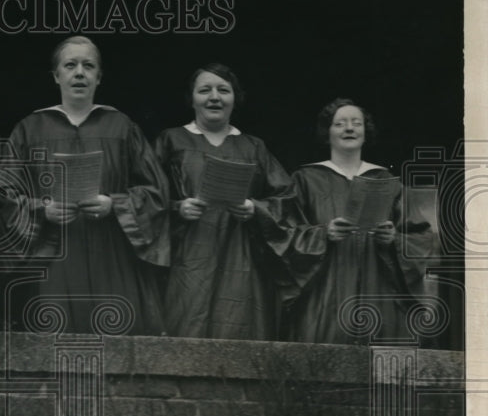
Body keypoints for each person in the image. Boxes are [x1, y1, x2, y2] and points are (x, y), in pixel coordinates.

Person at [5, 36, 171, 336]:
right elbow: (3, 196)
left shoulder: (121, 127)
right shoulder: (30, 129)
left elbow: (156, 192)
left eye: (88, 65)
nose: (79, 72)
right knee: (55, 342)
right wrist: (42, 208)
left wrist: (116, 204)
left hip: (112, 254)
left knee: (119, 340)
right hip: (53, 256)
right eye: (70, 65)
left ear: (99, 76)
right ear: (57, 76)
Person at [152, 62, 293, 341]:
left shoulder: (253, 147)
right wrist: (177, 207)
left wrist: (256, 209)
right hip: (188, 258)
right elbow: (146, 196)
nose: (214, 97)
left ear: (234, 99)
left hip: (240, 259)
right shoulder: (172, 140)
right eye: (205, 90)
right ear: (192, 98)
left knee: (240, 335)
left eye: (223, 90)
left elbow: (287, 198)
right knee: (185, 331)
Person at [284, 99, 436, 344]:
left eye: (357, 123)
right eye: (340, 123)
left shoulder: (387, 181)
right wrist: (323, 234)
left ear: (366, 132)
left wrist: (394, 239)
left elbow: (421, 239)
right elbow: (284, 234)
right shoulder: (305, 179)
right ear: (327, 133)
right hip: (324, 292)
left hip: (378, 288)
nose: (349, 128)